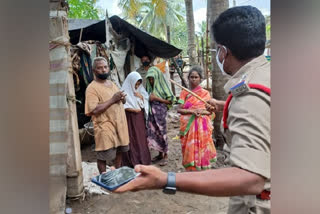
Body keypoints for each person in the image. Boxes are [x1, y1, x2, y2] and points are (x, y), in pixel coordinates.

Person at [113, 6, 271, 214]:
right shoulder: (267, 73)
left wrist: (165, 179)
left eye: (216, 50)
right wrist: (225, 105)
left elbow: (251, 178)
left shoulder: (249, 94)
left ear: (224, 52)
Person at [85, 57, 130, 173]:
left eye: (105, 67)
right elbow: (94, 109)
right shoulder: (92, 88)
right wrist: (113, 99)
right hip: (105, 126)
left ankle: (117, 173)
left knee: (120, 150)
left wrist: (122, 98)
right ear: (94, 71)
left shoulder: (112, 84)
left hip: (119, 124)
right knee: (103, 155)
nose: (103, 70)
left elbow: (121, 101)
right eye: (100, 68)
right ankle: (104, 178)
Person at [177, 65, 217, 171]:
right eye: (192, 77)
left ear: (200, 79)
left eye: (196, 77)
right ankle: (192, 169)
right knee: (189, 148)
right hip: (188, 126)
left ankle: (203, 168)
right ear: (188, 78)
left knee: (203, 147)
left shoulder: (205, 93)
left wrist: (201, 112)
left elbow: (209, 111)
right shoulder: (184, 92)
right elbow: (179, 109)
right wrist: (192, 111)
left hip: (202, 126)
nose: (193, 79)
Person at [145, 66, 176, 166]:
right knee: (155, 133)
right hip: (151, 114)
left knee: (162, 133)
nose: (151, 81)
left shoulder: (163, 86)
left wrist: (157, 98)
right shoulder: (148, 87)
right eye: (149, 79)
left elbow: (171, 100)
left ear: (157, 77)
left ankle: (165, 155)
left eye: (152, 79)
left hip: (160, 114)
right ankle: (159, 154)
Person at [120, 71, 151, 167]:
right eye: (135, 84)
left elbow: (145, 99)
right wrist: (133, 110)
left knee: (141, 137)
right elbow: (122, 106)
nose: (137, 86)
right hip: (130, 118)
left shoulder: (140, 90)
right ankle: (132, 159)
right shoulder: (124, 91)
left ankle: (143, 158)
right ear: (131, 82)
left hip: (139, 118)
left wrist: (141, 97)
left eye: (138, 84)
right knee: (132, 137)